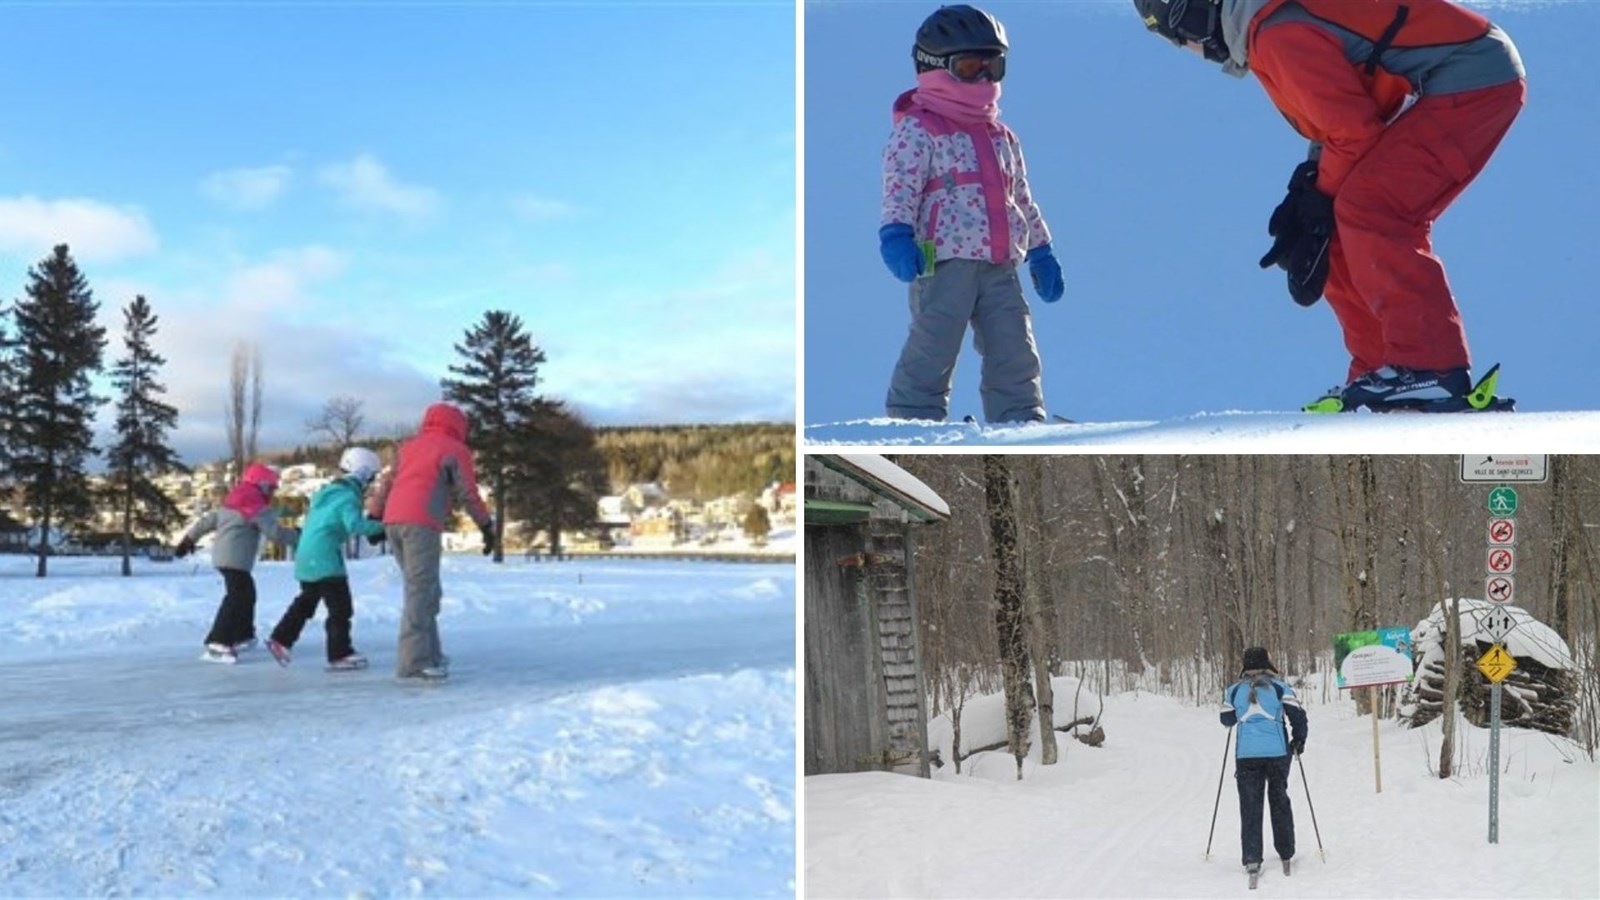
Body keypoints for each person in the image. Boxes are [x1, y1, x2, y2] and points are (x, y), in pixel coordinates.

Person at [1131, 0, 1525, 412]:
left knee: (1372, 209)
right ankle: (1381, 370)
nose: (1191, 49)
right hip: (1453, 74)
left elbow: (1354, 132)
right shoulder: (1267, 26)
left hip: (1472, 78)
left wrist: (1319, 198)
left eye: (1179, 35)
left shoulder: (1277, 33)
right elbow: (1348, 111)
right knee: (1337, 225)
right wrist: (1313, 191)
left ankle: (1428, 369)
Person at [879, 4, 1065, 425]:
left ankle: (1020, 419)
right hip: (944, 264)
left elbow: (1022, 198)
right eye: (969, 67)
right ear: (934, 68)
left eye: (993, 67)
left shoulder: (1002, 136)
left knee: (1015, 345)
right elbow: (900, 186)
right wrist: (895, 234)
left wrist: (1041, 250)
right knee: (935, 342)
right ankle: (913, 418)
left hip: (1000, 265)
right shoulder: (919, 128)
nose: (983, 79)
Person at [368, 402, 494, 682]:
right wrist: (486, 526)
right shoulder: (454, 449)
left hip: (393, 522)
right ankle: (414, 663)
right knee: (420, 591)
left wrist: (375, 516)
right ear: (458, 426)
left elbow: (386, 483)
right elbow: (468, 492)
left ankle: (431, 653)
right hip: (420, 523)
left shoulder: (409, 446)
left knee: (427, 590)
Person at [264, 447, 388, 671]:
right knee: (340, 608)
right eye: (370, 477)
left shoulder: (327, 493)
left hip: (306, 555)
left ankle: (280, 640)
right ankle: (339, 653)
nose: (370, 483)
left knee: (307, 601)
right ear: (362, 473)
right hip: (325, 558)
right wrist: (385, 527)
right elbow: (355, 525)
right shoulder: (347, 496)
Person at [175, 462, 297, 664]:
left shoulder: (233, 500)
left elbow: (208, 521)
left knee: (246, 594)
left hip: (223, 558)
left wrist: (188, 540)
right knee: (237, 597)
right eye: (272, 487)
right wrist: (300, 535)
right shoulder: (256, 506)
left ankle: (243, 635)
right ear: (263, 485)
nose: (273, 492)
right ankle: (218, 640)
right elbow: (275, 533)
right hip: (235, 560)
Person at [1220, 646, 1308, 877]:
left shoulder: (1233, 690)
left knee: (1250, 804)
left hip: (1246, 755)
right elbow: (1298, 716)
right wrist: (1299, 740)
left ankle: (1252, 857)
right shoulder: (1280, 688)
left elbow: (1226, 719)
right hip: (1277, 754)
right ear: (1267, 664)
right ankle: (1286, 850)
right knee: (1279, 799)